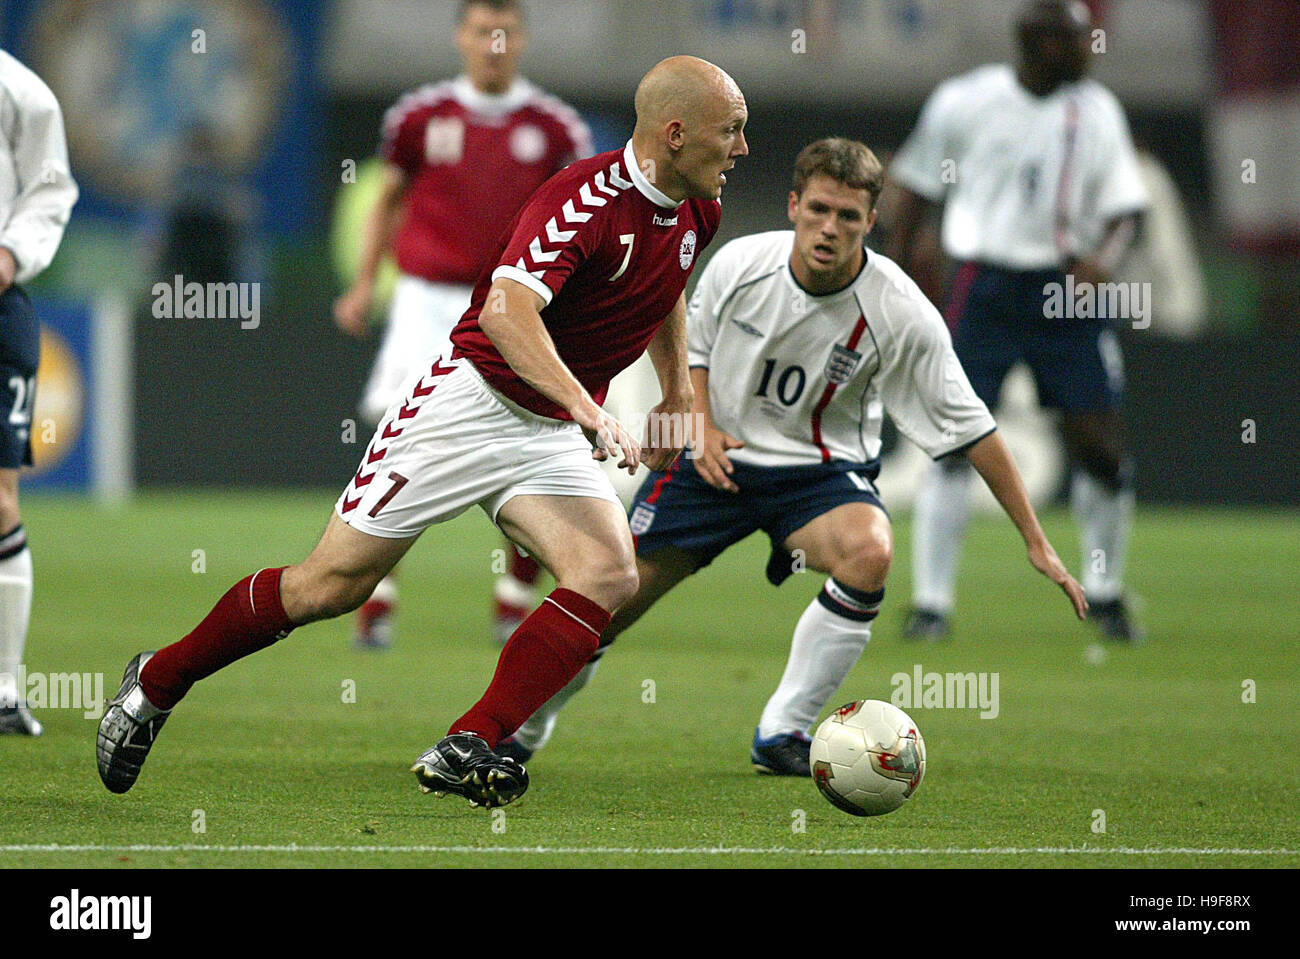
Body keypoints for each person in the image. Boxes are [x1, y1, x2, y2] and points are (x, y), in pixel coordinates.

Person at [97, 55, 749, 808]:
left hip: (546, 430)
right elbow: (507, 313)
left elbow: (672, 282)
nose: (740, 150)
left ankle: (470, 739)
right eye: (730, 132)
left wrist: (673, 389)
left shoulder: (699, 205)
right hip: (468, 406)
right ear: (674, 133)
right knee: (330, 587)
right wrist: (589, 405)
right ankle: (155, 680)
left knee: (608, 571)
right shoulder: (585, 198)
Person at [494, 138, 1087, 775]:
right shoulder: (740, 264)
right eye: (820, 210)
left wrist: (1036, 538)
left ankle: (784, 732)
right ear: (794, 205)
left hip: (819, 476)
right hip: (713, 465)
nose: (830, 228)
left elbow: (973, 428)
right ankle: (524, 728)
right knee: (606, 598)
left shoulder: (901, 309)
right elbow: (694, 350)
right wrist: (705, 425)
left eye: (849, 217)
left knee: (870, 551)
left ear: (869, 222)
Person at [332, 0, 593, 648]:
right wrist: (365, 282)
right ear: (462, 37)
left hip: (513, 305)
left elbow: (580, 223)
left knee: (527, 443)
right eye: (481, 31)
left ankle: (511, 602)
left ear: (523, 39)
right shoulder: (419, 116)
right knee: (400, 442)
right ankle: (374, 601)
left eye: (505, 32)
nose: (493, 43)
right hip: (425, 300)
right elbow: (388, 200)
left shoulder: (555, 127)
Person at [887, 0, 1147, 642]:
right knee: (952, 447)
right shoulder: (965, 102)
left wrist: (1102, 263)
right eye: (1076, 38)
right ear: (1036, 40)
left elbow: (1125, 212)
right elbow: (915, 193)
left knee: (1100, 448)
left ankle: (1106, 590)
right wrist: (891, 283)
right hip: (984, 285)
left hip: (1066, 288)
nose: (1089, 49)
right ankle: (932, 605)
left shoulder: (1099, 111)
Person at [0, 49, 79, 737]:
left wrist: (9, 254)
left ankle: (2, 688)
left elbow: (52, 186)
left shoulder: (20, 90)